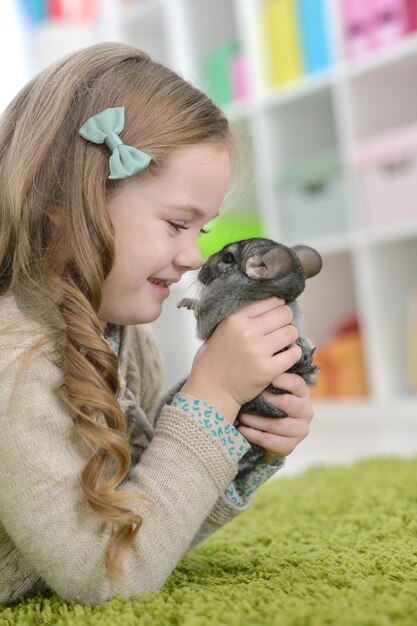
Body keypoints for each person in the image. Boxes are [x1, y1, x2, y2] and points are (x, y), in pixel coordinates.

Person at [0, 41, 313, 606]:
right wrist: (209, 398)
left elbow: (146, 530)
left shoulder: (125, 340)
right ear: (65, 203)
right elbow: (106, 577)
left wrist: (240, 430)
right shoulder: (13, 356)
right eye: (175, 224)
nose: (195, 257)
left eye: (204, 232)